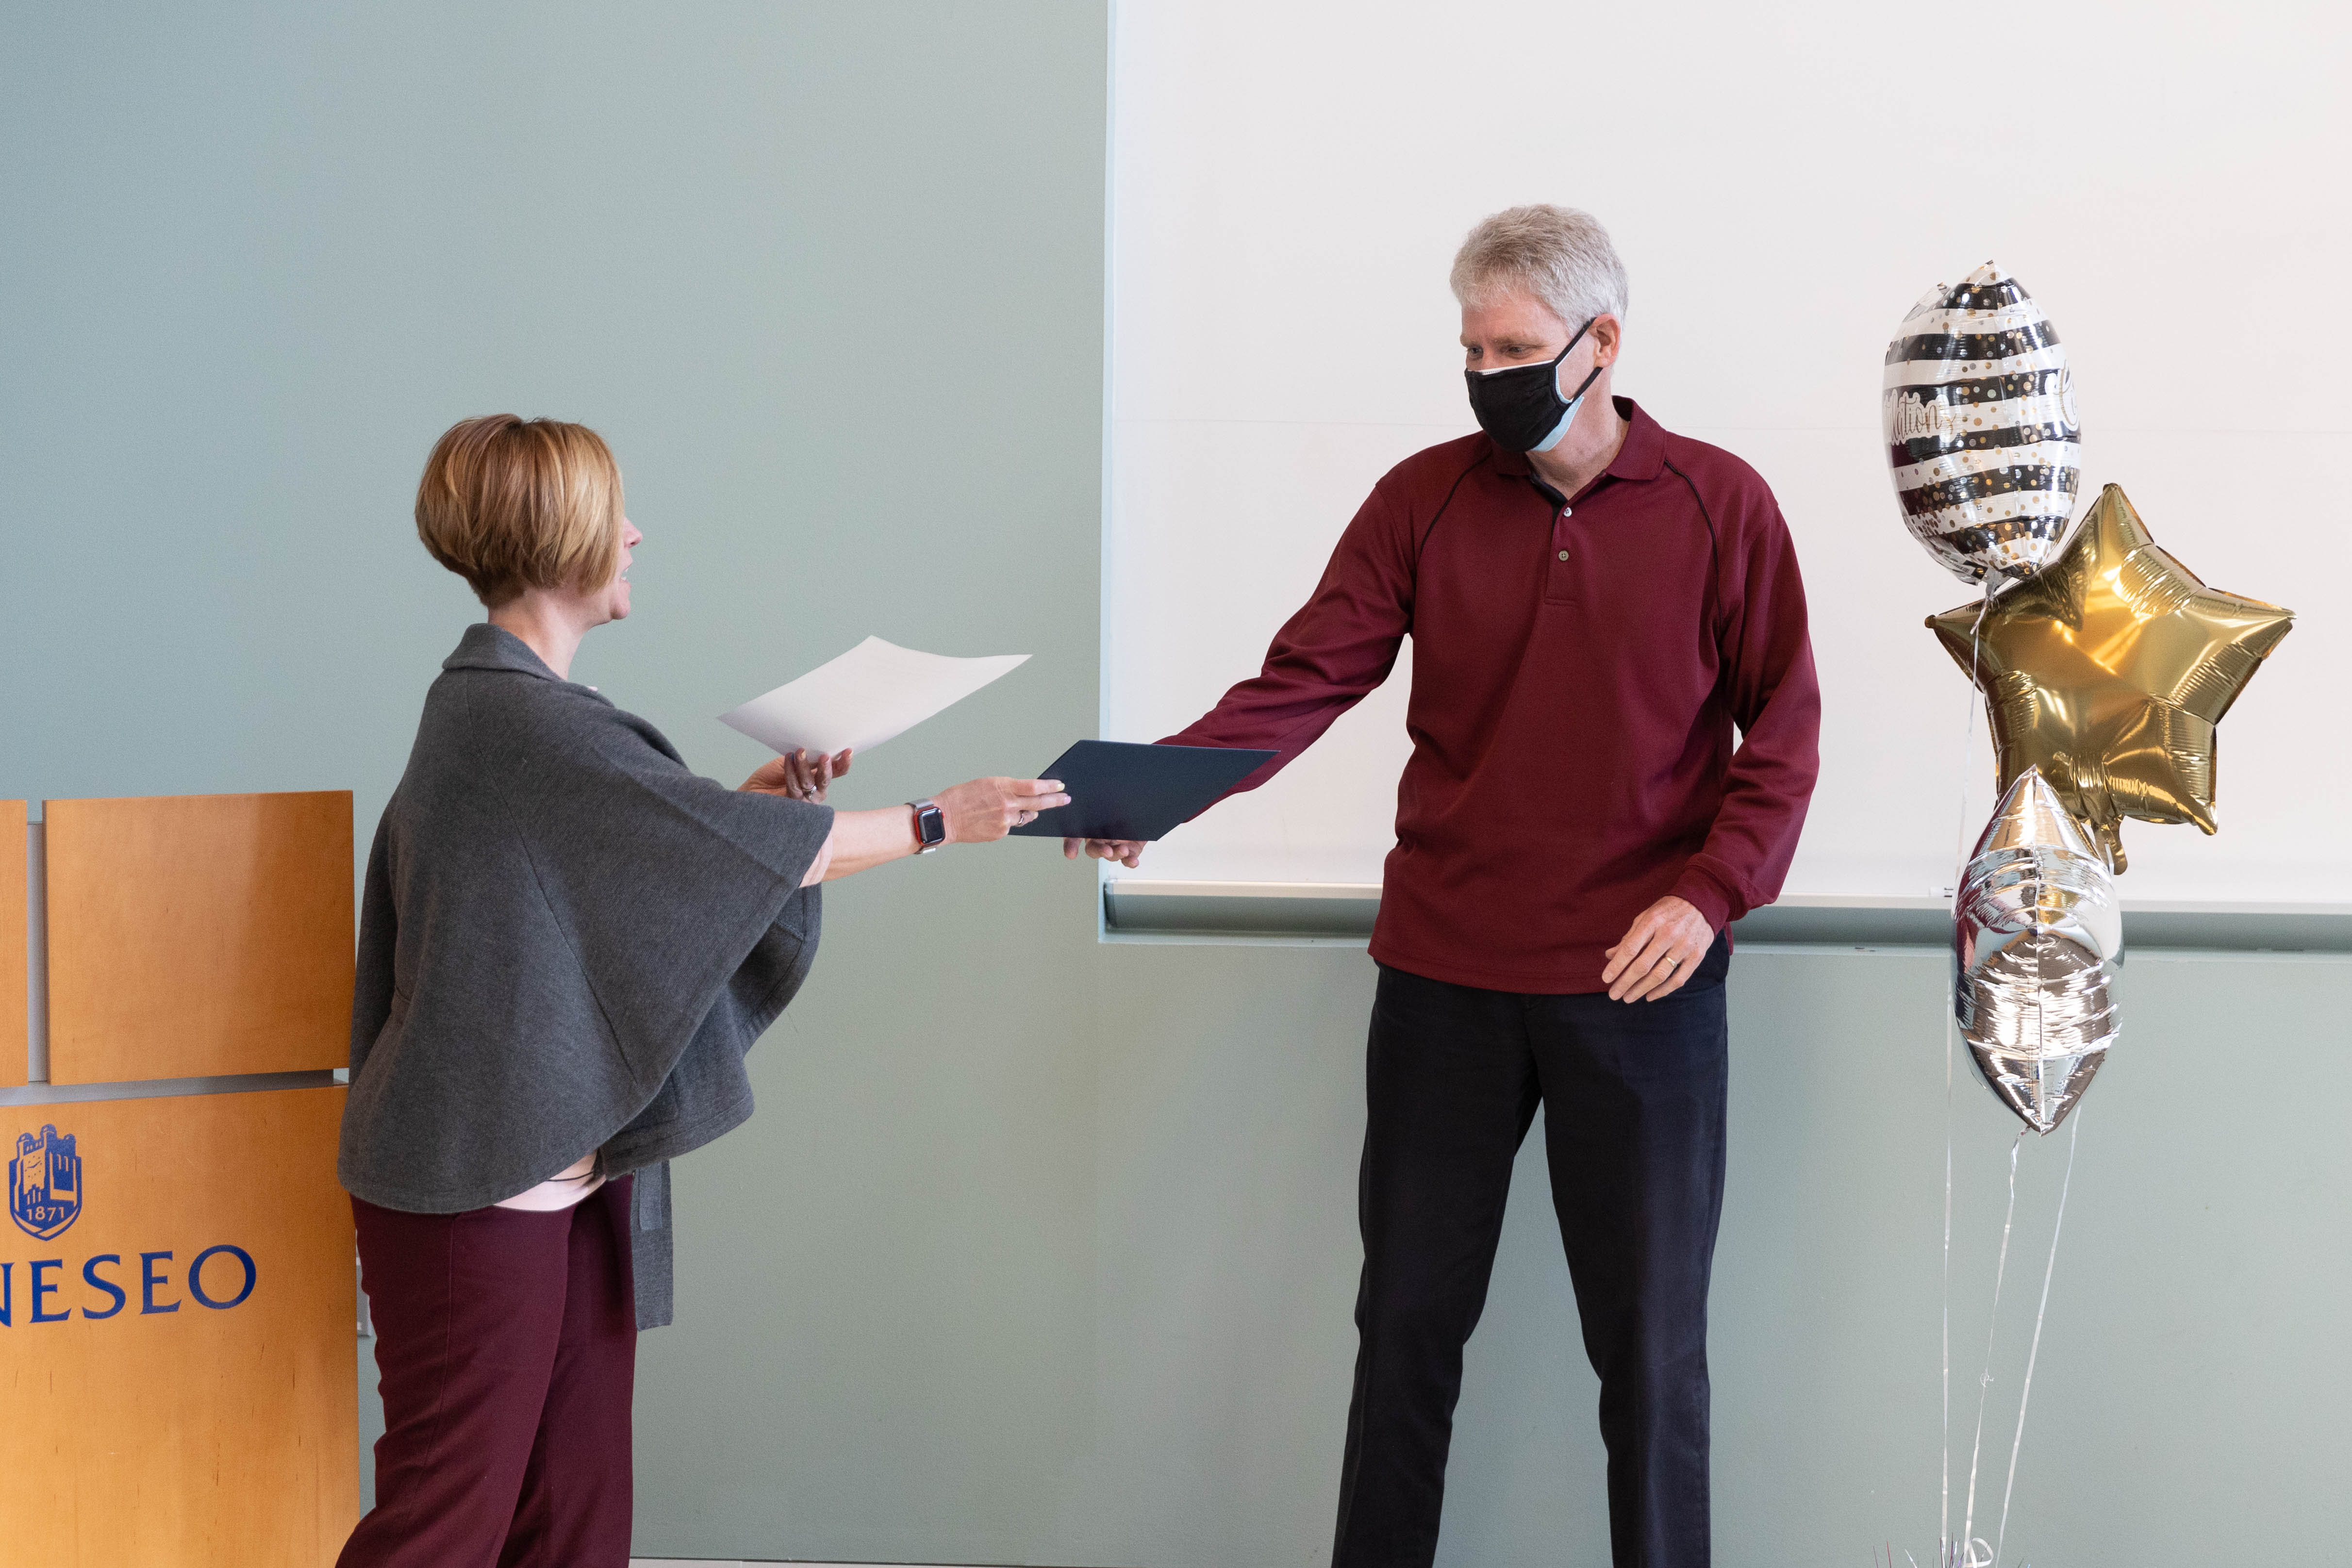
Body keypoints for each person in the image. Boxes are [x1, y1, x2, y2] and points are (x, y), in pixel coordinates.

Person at [1069, 207, 1821, 1566]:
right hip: (1443, 983)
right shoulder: (1420, 499)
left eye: (1516, 348)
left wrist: (1706, 898)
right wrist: (1152, 795)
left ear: (1600, 344)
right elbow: (1304, 677)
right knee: (1405, 1331)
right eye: (1469, 349)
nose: (1487, 376)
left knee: (1650, 1355)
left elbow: (1782, 738)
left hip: (1637, 989)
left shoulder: (1721, 504)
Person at [337, 414, 1067, 1568]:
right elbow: (703, 846)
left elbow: (651, 857)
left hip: (556, 1168)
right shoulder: (514, 718)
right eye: (614, 512)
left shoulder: (524, 716)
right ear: (558, 532)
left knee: (574, 1520)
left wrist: (753, 802)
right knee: (446, 1526)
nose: (635, 533)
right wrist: (937, 820)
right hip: (470, 1179)